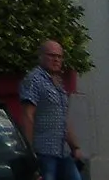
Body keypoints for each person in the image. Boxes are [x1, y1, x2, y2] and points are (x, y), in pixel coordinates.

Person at [18, 39, 83, 179]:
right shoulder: (34, 80)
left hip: (63, 152)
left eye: (59, 56)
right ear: (41, 56)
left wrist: (74, 146)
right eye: (51, 56)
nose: (56, 60)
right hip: (44, 152)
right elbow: (28, 116)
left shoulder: (58, 83)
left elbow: (62, 118)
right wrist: (29, 153)